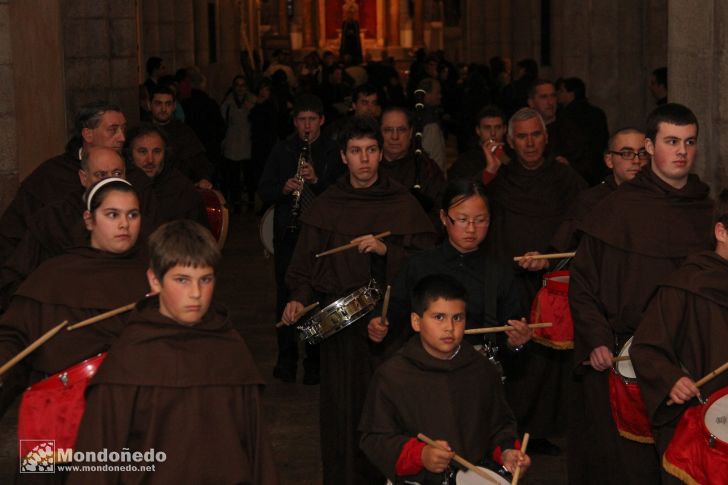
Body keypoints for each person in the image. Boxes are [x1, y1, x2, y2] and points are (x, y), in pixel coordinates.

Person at [282, 117, 436, 485]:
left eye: (370, 151)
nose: (364, 159)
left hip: (389, 326)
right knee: (344, 411)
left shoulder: (401, 201)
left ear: (380, 154)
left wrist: (388, 250)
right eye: (356, 152)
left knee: (389, 407)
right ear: (343, 157)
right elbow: (305, 262)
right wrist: (298, 299)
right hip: (341, 332)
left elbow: (427, 260)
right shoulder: (327, 204)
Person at [68, 220, 278, 484]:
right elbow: (97, 464)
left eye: (205, 279)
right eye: (182, 279)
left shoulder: (231, 349)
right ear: (155, 280)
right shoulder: (128, 359)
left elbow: (257, 451)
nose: (196, 294)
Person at [569, 103, 714, 484]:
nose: (681, 151)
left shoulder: (707, 210)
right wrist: (597, 339)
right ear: (649, 147)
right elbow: (582, 284)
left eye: (689, 142)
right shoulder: (617, 208)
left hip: (693, 363)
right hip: (625, 358)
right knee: (629, 471)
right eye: (671, 141)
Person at [359, 274, 530, 484]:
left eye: (458, 317)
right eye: (439, 317)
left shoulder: (482, 369)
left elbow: (500, 426)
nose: (449, 327)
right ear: (416, 321)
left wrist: (506, 453)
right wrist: (420, 456)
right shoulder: (393, 375)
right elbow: (375, 439)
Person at [484, 107, 587, 455]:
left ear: (546, 138)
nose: (529, 143)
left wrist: (550, 253)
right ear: (511, 142)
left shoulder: (564, 177)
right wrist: (490, 171)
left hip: (548, 280)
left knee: (544, 362)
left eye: (536, 135)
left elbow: (579, 216)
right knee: (511, 352)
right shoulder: (500, 178)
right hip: (506, 280)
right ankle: (504, 430)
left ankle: (538, 431)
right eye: (522, 136)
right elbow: (469, 207)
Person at [0, 179, 148, 414]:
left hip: (130, 409)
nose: (124, 224)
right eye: (112, 215)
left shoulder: (154, 277)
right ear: (89, 220)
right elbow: (13, 336)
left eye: (133, 215)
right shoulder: (53, 274)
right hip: (56, 410)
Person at [367, 179, 529, 364]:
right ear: (444, 218)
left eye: (480, 220)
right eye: (462, 219)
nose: (471, 228)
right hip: (424, 367)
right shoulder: (419, 264)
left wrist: (516, 342)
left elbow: (511, 335)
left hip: (478, 368)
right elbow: (393, 309)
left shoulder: (499, 270)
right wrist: (379, 323)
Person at [630, 189, 728, 484]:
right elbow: (646, 348)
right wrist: (672, 378)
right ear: (721, 231)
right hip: (705, 427)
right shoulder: (685, 285)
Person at [0, 148, 157, 309]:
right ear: (84, 178)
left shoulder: (141, 225)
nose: (109, 182)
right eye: (101, 175)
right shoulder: (53, 219)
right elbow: (15, 279)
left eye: (117, 174)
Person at [258, 94, 344, 384]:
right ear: (294, 122)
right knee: (286, 293)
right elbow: (264, 190)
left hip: (321, 236)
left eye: (312, 120)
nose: (306, 126)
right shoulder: (283, 150)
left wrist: (316, 180)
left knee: (318, 295)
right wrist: (283, 187)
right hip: (289, 233)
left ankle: (314, 360)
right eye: (301, 121)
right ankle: (286, 357)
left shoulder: (333, 151)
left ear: (321, 121)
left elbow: (340, 195)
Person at [0, 101, 127, 265]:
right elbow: (12, 234)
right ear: (88, 135)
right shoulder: (50, 175)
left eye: (123, 129)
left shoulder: (135, 175)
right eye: (113, 130)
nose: (122, 138)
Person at [550, 127, 649, 252]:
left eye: (643, 153)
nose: (636, 161)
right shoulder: (591, 201)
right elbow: (561, 250)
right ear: (609, 160)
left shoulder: (661, 197)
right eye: (626, 154)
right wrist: (544, 262)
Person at [124, 124, 208, 226]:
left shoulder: (183, 190)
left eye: (157, 152)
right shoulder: (122, 185)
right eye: (142, 152)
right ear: (130, 156)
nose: (150, 160)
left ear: (165, 154)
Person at [379, 106, 445, 227]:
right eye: (388, 130)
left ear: (410, 133)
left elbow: (440, 213)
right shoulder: (367, 166)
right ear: (379, 133)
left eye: (401, 130)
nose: (395, 137)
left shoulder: (427, 168)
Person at [149, 86, 214, 188]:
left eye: (168, 104)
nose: (163, 109)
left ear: (174, 106)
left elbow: (200, 162)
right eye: (158, 104)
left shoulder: (184, 132)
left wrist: (204, 178)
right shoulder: (142, 132)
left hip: (178, 188)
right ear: (150, 105)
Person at [552, 77, 610, 186]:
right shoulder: (598, 113)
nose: (557, 94)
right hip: (597, 167)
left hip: (575, 169)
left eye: (561, 91)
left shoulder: (567, 116)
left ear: (571, 94)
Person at [220, 75, 255, 212]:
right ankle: (235, 201)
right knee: (233, 175)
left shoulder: (253, 101)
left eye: (243, 85)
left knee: (249, 175)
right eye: (237, 85)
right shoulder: (228, 102)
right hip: (232, 143)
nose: (240, 88)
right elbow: (223, 120)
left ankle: (250, 200)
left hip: (248, 143)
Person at [448, 105, 510, 182]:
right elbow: (461, 190)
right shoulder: (465, 161)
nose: (493, 133)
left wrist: (504, 158)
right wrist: (490, 171)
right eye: (487, 128)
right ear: (478, 130)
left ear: (505, 129)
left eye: (498, 127)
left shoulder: (514, 156)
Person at [417, 78, 447, 174]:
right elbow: (434, 156)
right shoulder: (430, 123)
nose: (440, 96)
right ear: (427, 94)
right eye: (437, 93)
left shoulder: (419, 115)